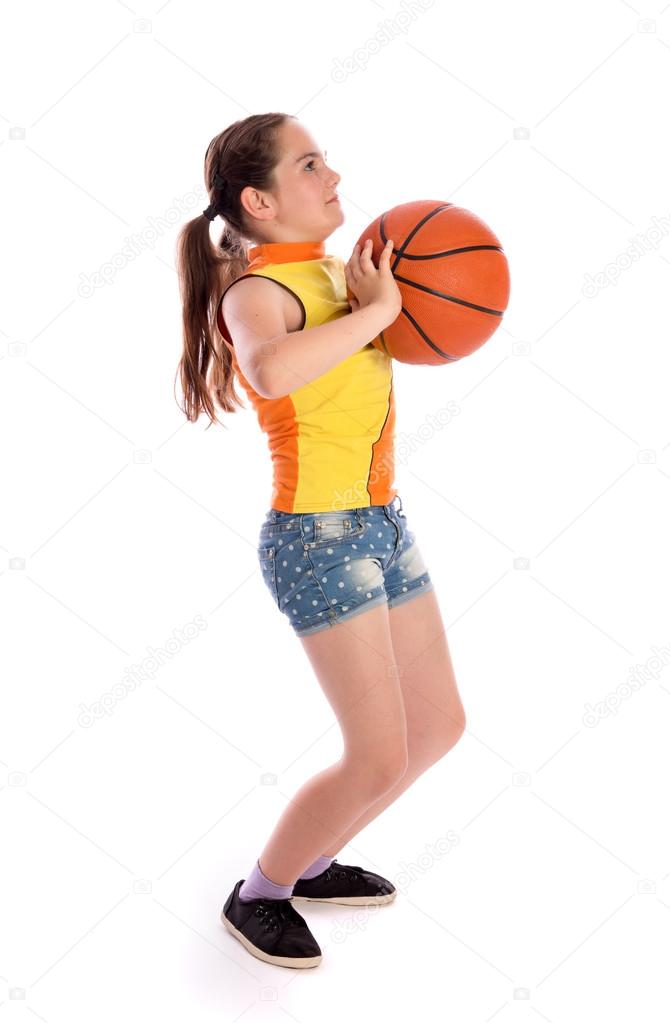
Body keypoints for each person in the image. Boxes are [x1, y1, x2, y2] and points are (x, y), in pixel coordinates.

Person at [175, 112, 466, 969]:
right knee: (378, 754)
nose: (331, 173)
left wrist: (395, 303)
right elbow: (272, 369)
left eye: (327, 159)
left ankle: (311, 859)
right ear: (259, 201)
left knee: (439, 725)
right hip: (315, 538)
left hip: (383, 521)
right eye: (309, 165)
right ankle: (259, 892)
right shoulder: (258, 291)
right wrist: (377, 312)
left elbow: (404, 330)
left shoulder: (343, 274)